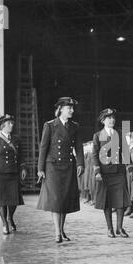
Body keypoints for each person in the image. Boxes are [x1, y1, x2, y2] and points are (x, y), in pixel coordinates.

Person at [36, 97, 84, 243]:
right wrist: (40, 169)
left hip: (68, 166)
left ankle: (62, 230)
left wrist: (81, 164)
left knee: (64, 200)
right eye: (69, 108)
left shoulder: (74, 126)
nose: (72, 110)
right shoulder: (50, 125)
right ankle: (57, 233)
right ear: (61, 109)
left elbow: (79, 147)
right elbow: (43, 147)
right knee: (56, 199)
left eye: (72, 108)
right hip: (52, 167)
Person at [92, 108, 133, 238]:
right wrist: (97, 171)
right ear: (103, 120)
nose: (112, 120)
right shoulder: (98, 135)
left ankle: (120, 228)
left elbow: (125, 152)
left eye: (113, 117)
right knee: (107, 201)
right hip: (105, 173)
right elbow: (94, 155)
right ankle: (110, 229)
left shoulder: (120, 133)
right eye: (109, 118)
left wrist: (130, 167)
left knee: (121, 201)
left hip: (118, 172)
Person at [0, 114, 27, 235]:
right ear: (2, 126)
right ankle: (5, 224)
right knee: (2, 201)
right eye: (9, 123)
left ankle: (10, 217)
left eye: (11, 123)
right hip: (0, 175)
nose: (12, 125)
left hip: (14, 173)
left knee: (14, 201)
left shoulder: (16, 139)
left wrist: (23, 168)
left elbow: (21, 156)